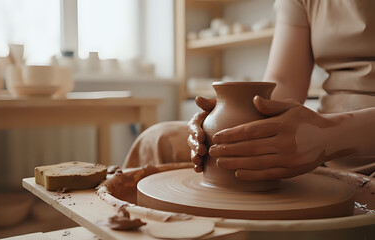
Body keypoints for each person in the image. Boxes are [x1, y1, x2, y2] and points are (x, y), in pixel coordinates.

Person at [123, 0, 375, 178]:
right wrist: (224, 118)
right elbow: (282, 86)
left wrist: (328, 136)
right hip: (322, 147)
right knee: (158, 140)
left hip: (355, 142)